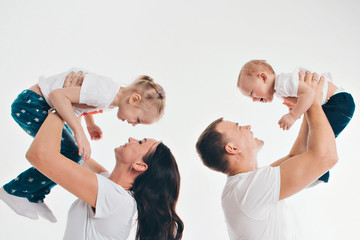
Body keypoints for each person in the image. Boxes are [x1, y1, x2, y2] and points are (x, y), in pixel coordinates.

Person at [0, 68, 166, 222]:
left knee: (73, 153)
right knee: (72, 153)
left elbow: (83, 102)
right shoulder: (105, 93)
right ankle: (14, 191)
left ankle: (34, 195)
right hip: (33, 104)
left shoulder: (111, 96)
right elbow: (58, 96)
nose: (133, 125)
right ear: (134, 99)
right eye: (138, 119)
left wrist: (90, 125)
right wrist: (79, 131)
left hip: (37, 103)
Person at [196, 72, 338, 239]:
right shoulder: (247, 190)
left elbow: (297, 156)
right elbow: (327, 157)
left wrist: (305, 103)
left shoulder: (245, 186)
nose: (247, 126)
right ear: (232, 148)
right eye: (239, 127)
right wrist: (313, 102)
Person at [237, 60, 355, 183]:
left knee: (319, 141)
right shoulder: (279, 89)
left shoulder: (282, 83)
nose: (254, 99)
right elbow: (303, 97)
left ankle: (319, 173)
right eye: (250, 97)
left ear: (263, 77)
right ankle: (319, 173)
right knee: (315, 140)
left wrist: (293, 116)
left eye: (252, 93)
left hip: (338, 102)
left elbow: (309, 93)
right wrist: (295, 107)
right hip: (335, 103)